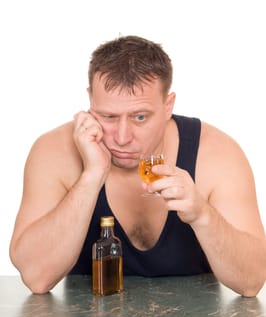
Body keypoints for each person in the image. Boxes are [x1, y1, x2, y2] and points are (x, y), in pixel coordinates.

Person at [10, 35, 266, 296]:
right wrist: (91, 176)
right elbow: (36, 278)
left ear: (168, 106)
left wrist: (203, 215)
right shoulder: (55, 152)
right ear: (90, 100)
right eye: (108, 116)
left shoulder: (217, 154)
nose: (122, 137)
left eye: (140, 117)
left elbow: (252, 281)